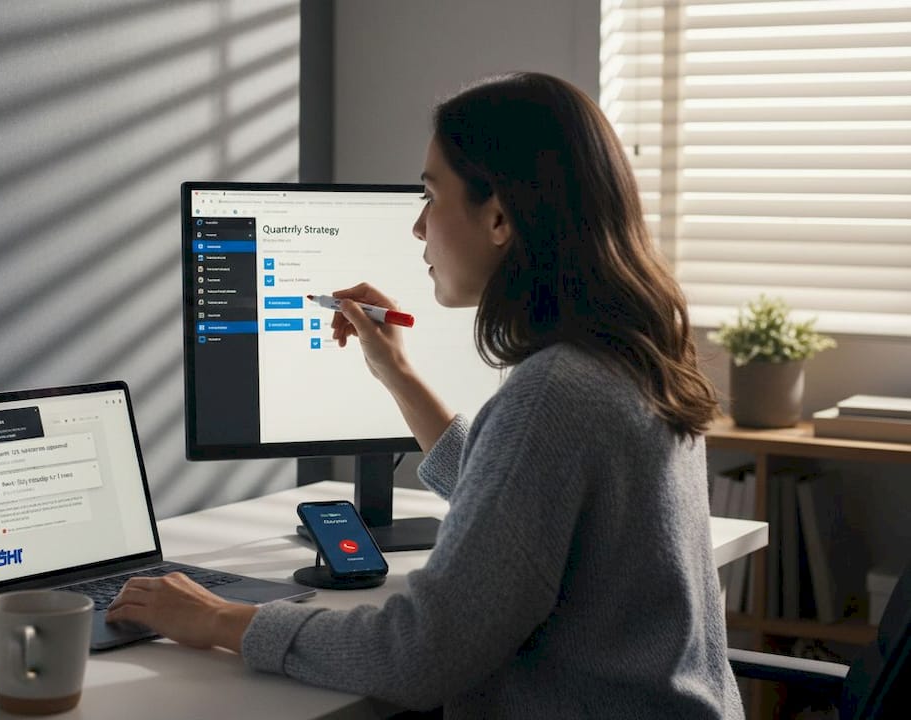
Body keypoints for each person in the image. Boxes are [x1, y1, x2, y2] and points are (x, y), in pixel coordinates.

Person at [107, 71, 742, 718]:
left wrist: (220, 619)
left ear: (498, 217)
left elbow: (419, 653)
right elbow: (517, 501)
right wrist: (397, 373)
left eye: (429, 196)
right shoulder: (631, 354)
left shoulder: (555, 392)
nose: (417, 227)